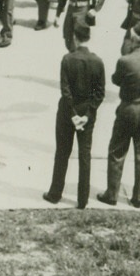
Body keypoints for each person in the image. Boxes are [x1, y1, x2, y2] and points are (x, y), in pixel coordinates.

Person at [43, 20, 105, 209]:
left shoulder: (67, 59)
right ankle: (82, 199)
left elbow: (65, 89)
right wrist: (87, 114)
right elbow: (100, 92)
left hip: (67, 113)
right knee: (85, 155)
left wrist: (72, 113)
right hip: (87, 112)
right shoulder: (98, 61)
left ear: (75, 38)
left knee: (62, 152)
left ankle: (55, 193)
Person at [97, 25, 140, 208]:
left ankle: (112, 193)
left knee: (117, 151)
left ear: (133, 39)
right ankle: (138, 196)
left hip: (129, 108)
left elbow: (116, 80)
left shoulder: (125, 60)